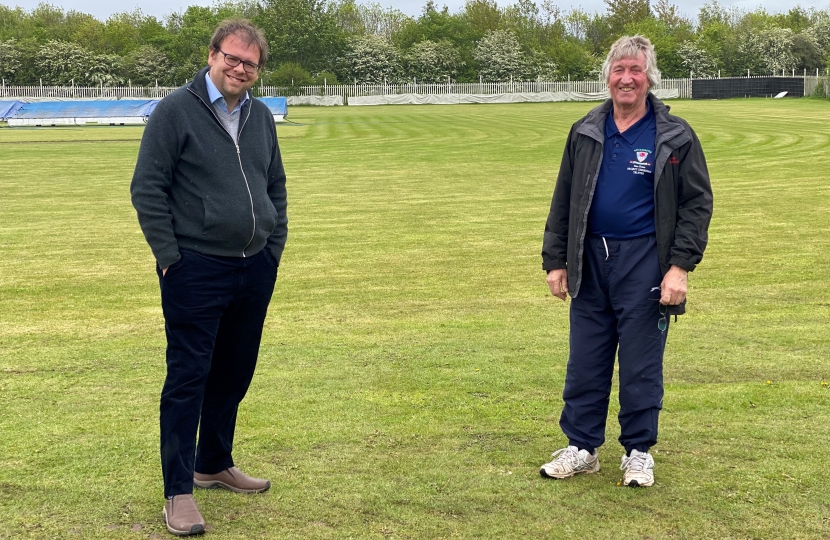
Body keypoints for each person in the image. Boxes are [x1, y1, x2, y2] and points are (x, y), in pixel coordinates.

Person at [130, 19, 287, 535]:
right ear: (213, 54)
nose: (240, 68)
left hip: (254, 265)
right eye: (232, 58)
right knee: (188, 378)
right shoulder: (177, 109)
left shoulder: (260, 115)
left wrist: (273, 246)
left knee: (235, 370)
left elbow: (275, 186)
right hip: (195, 267)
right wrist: (170, 256)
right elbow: (147, 187)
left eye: (251, 63)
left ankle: (212, 463)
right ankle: (177, 491)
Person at [539, 35, 713, 487]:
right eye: (619, 71)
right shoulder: (585, 131)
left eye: (635, 70)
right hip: (590, 258)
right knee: (586, 360)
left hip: (646, 262)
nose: (627, 79)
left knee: (640, 363)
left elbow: (697, 205)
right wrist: (555, 260)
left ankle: (638, 451)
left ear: (649, 76)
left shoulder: (674, 136)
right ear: (608, 77)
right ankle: (581, 447)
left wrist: (679, 267)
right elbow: (564, 199)